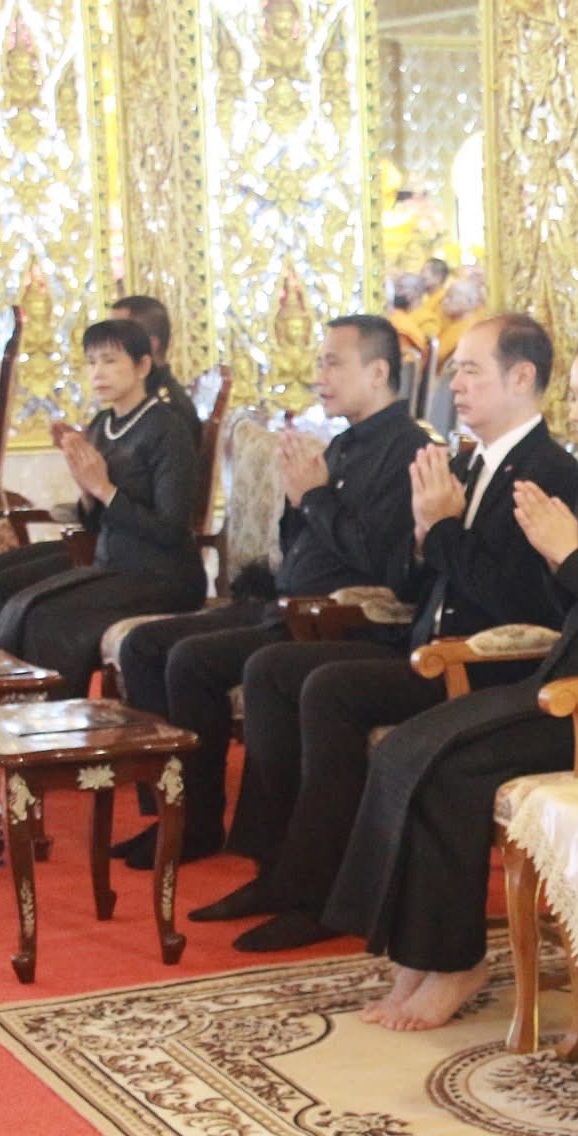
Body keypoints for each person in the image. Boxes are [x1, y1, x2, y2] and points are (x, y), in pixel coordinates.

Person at [295, 318, 578, 1032]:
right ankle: (411, 949)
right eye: (574, 399)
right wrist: (558, 559)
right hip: (563, 675)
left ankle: (456, 960)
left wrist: (570, 555)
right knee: (411, 744)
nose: (575, 415)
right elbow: (564, 607)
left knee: (454, 771)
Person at [187, 314, 578, 946]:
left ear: (521, 377)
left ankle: (320, 894)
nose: (455, 383)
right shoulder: (467, 461)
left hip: (488, 667)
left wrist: (444, 533)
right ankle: (281, 869)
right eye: (454, 369)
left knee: (329, 690)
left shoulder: (550, 472)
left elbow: (525, 602)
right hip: (427, 644)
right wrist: (424, 538)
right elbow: (414, 575)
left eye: (471, 369)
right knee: (273, 669)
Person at [110, 314, 428, 868]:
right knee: (146, 646)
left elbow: (381, 560)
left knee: (193, 659)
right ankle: (181, 813)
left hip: (339, 621)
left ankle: (219, 829)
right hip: (282, 602)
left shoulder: (408, 450)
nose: (319, 375)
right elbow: (302, 543)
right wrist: (295, 498)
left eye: (333, 362)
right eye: (319, 361)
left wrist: (314, 499)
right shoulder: (343, 443)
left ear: (378, 372)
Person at [0, 319, 204, 698]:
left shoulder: (167, 429)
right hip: (113, 564)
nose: (98, 372)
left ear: (143, 366)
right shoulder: (102, 424)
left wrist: (104, 489)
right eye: (91, 362)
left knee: (47, 618)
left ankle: (53, 734)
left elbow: (172, 531)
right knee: (19, 603)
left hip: (161, 576)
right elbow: (95, 523)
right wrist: (88, 493)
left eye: (110, 361)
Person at [109, 295, 199, 439]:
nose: (108, 347)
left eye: (118, 338)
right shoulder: (140, 396)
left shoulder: (168, 411)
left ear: (151, 345)